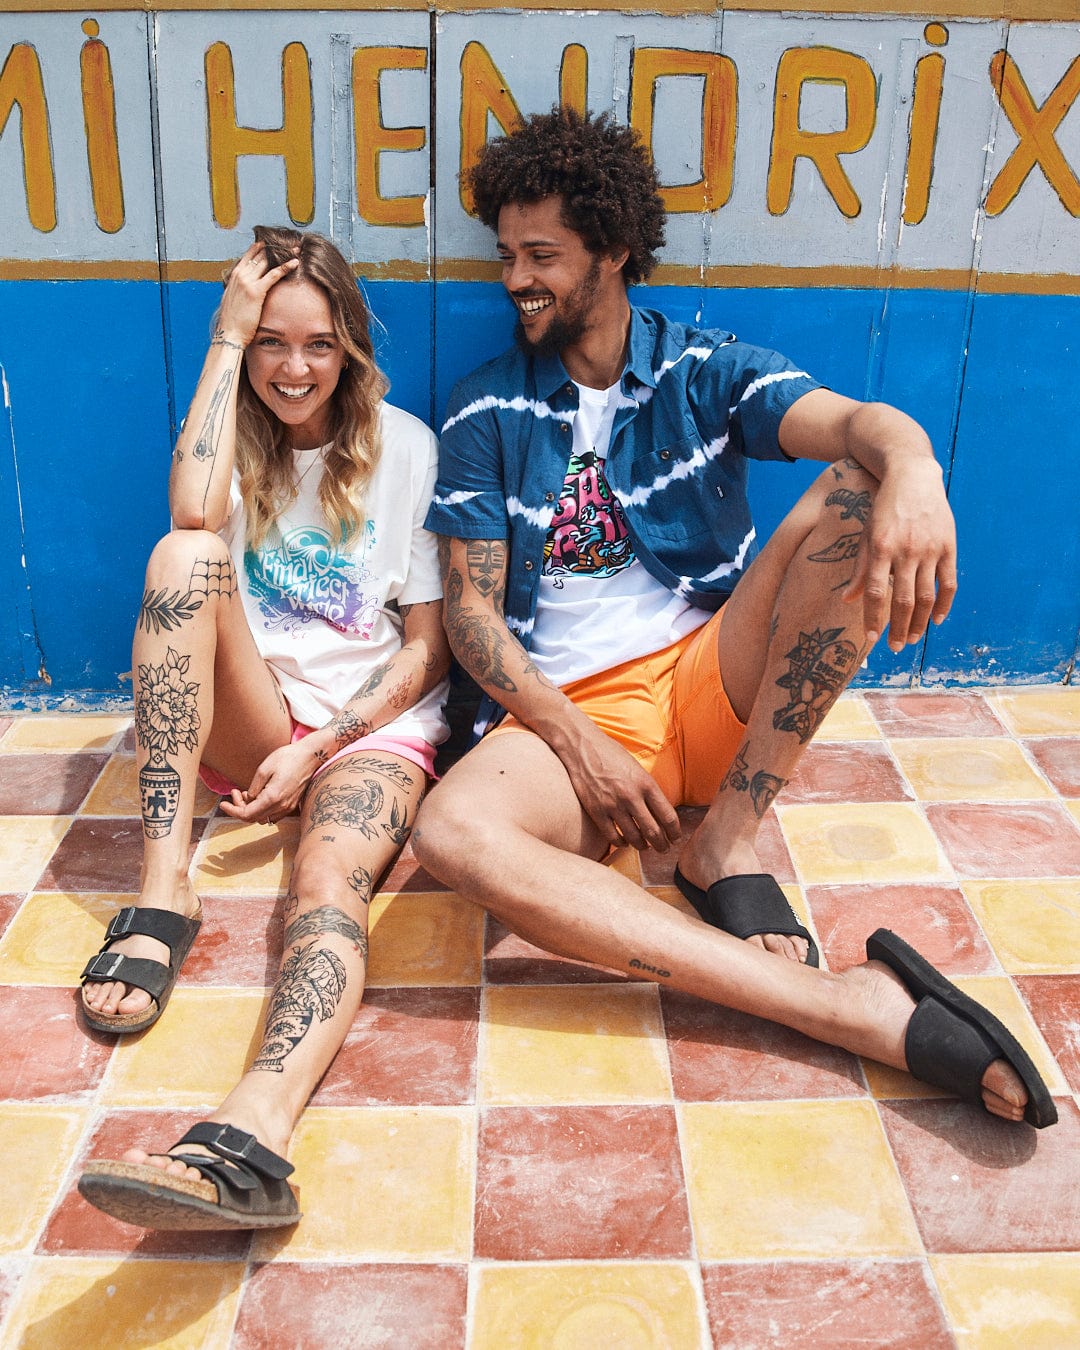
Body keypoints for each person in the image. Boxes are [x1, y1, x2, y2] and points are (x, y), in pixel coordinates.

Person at [412, 108, 1056, 1129]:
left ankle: (730, 842)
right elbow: (472, 617)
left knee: (856, 488)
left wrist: (917, 467)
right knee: (452, 834)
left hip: (715, 673)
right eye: (506, 255)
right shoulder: (487, 406)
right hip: (579, 711)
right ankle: (842, 1008)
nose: (515, 279)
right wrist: (576, 743)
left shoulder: (700, 368)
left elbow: (856, 425)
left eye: (543, 255)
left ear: (615, 252)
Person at [77, 226, 451, 1229]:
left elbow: (429, 651)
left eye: (319, 345)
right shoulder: (237, 438)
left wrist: (317, 750)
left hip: (366, 733)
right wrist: (222, 335)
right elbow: (193, 514)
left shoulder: (407, 448)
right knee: (178, 560)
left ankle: (257, 1129)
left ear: (353, 350)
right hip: (257, 713)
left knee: (326, 887)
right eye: (271, 343)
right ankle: (162, 899)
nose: (294, 369)